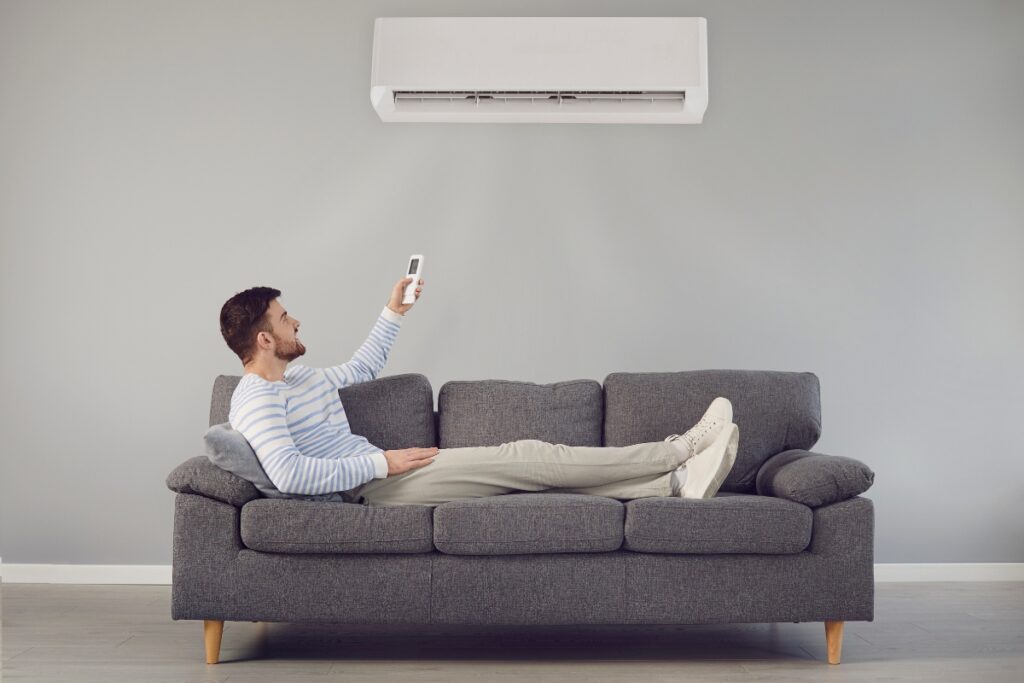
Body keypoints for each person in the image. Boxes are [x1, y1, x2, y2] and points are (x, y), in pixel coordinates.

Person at [218, 278, 739, 507]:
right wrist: (383, 465)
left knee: (526, 479)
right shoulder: (259, 399)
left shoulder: (300, 379)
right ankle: (679, 449)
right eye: (286, 319)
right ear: (265, 339)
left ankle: (672, 487)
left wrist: (394, 310)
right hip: (372, 488)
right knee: (530, 456)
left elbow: (364, 366)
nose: (296, 321)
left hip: (383, 474)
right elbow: (287, 474)